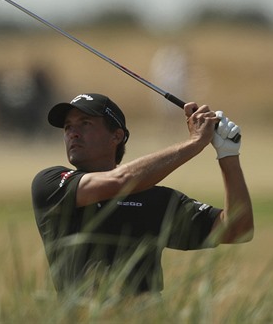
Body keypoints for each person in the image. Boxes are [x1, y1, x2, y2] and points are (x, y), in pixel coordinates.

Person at [31, 93, 253, 296]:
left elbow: (237, 230)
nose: (73, 133)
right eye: (68, 127)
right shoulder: (52, 183)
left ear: (116, 136)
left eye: (85, 123)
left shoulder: (155, 199)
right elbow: (121, 180)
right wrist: (195, 143)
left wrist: (228, 154)